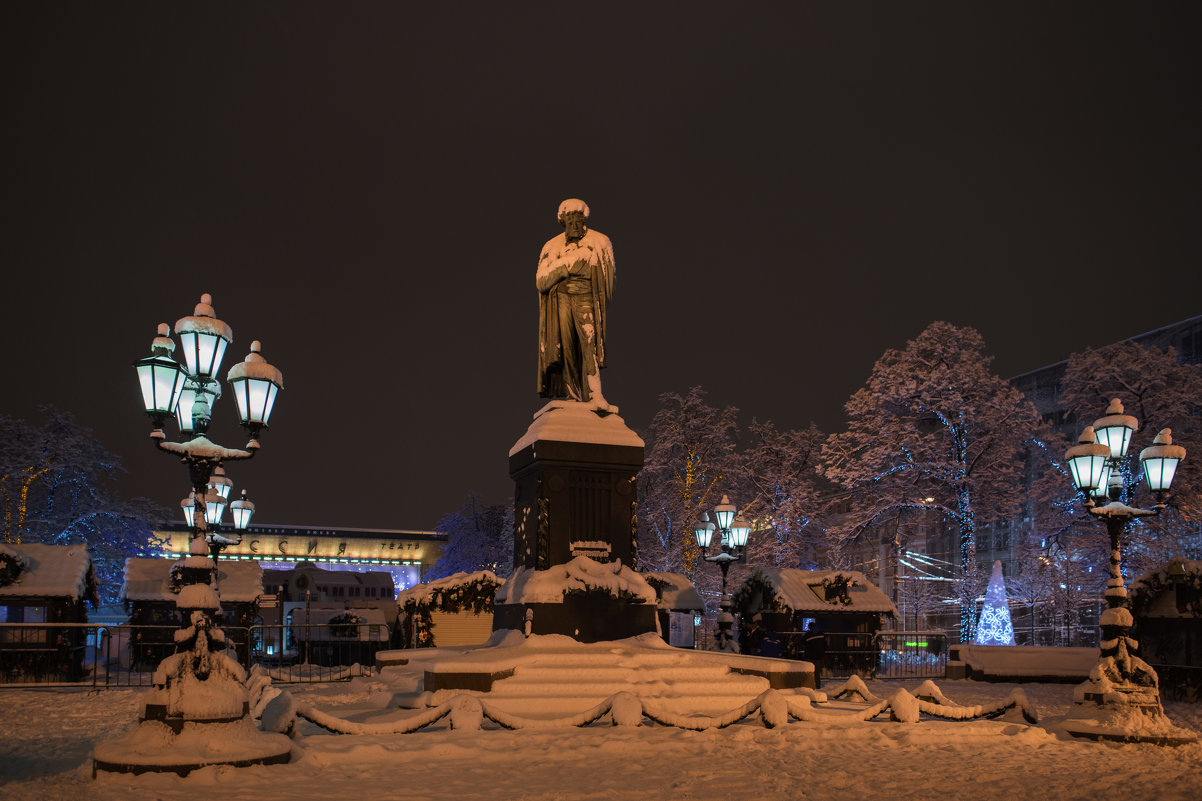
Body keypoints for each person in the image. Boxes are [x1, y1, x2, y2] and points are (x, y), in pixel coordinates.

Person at [536, 198, 615, 409]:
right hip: (561, 300)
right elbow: (541, 281)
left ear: (584, 220)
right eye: (570, 222)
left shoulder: (599, 242)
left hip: (586, 298)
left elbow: (608, 281)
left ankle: (594, 394)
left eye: (578, 221)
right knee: (567, 347)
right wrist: (567, 266)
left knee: (588, 345)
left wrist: (580, 268)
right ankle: (572, 394)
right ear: (563, 222)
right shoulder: (552, 246)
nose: (575, 226)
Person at [803, 623, 826, 688]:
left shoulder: (808, 634)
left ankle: (809, 685)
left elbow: (802, 642)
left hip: (809, 656)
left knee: (809, 671)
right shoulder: (821, 633)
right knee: (817, 672)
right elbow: (825, 644)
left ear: (809, 627)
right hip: (818, 656)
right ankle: (818, 685)